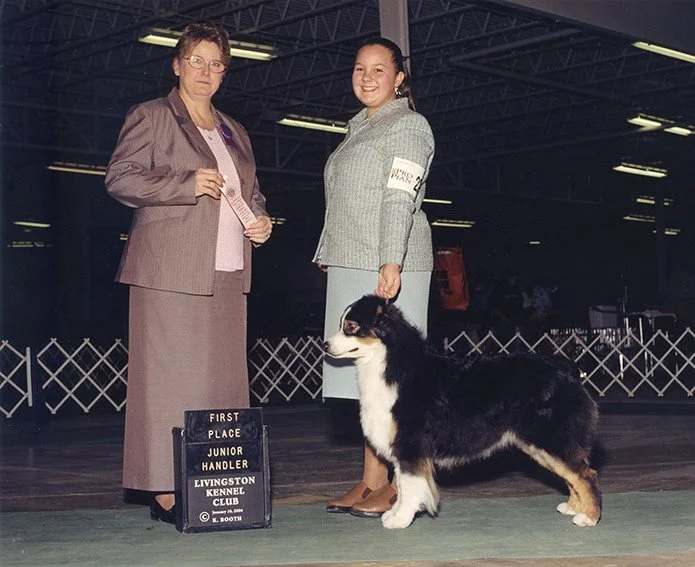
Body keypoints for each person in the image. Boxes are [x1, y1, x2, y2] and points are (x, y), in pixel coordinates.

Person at [105, 22, 272, 525]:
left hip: (226, 270)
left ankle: (215, 484)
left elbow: (250, 192)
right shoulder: (152, 116)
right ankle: (164, 489)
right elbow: (120, 178)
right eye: (195, 60)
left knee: (221, 383)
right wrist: (185, 182)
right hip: (168, 268)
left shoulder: (233, 130)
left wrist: (261, 219)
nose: (205, 71)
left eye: (216, 64)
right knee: (168, 383)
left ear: (225, 72)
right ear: (176, 64)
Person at [313, 37, 435, 518]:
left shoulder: (409, 125)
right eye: (359, 68)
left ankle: (401, 479)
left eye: (379, 69)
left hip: (388, 262)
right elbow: (342, 199)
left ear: (399, 78)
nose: (367, 77)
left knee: (394, 381)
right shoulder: (358, 128)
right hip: (350, 260)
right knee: (363, 383)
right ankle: (370, 480)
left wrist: (391, 260)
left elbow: (397, 198)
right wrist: (327, 250)